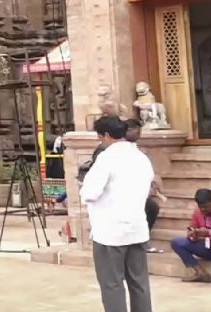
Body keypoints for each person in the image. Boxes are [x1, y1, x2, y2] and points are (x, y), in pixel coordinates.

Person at [81, 115, 154, 312]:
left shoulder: (106, 158)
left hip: (110, 232)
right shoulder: (142, 157)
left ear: (105, 136)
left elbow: (90, 192)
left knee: (112, 285)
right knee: (139, 283)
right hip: (137, 228)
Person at [125, 118, 166, 253]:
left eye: (139, 130)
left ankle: (143, 239)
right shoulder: (115, 150)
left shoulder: (137, 151)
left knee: (152, 207)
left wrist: (152, 183)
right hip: (123, 194)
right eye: (133, 129)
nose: (137, 132)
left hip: (139, 193)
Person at [170, 188, 211, 282]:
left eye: (206, 206)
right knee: (177, 242)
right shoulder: (198, 212)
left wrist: (208, 232)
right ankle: (201, 273)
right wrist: (192, 235)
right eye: (200, 207)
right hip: (207, 247)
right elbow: (191, 228)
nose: (203, 209)